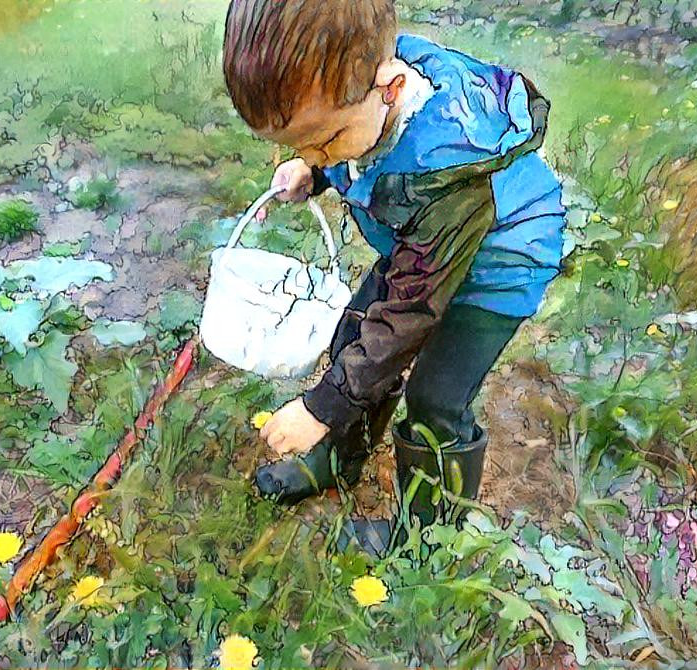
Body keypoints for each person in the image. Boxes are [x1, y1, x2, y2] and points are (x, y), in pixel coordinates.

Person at [221, 0, 567, 540]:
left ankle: (427, 534)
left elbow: (409, 314)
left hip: (497, 264)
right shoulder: (356, 93)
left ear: (391, 88)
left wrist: (320, 405)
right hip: (421, 246)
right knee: (353, 335)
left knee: (434, 399)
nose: (314, 152)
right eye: (296, 143)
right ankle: (339, 458)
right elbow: (357, 154)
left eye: (323, 140)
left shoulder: (449, 171)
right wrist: (316, 171)